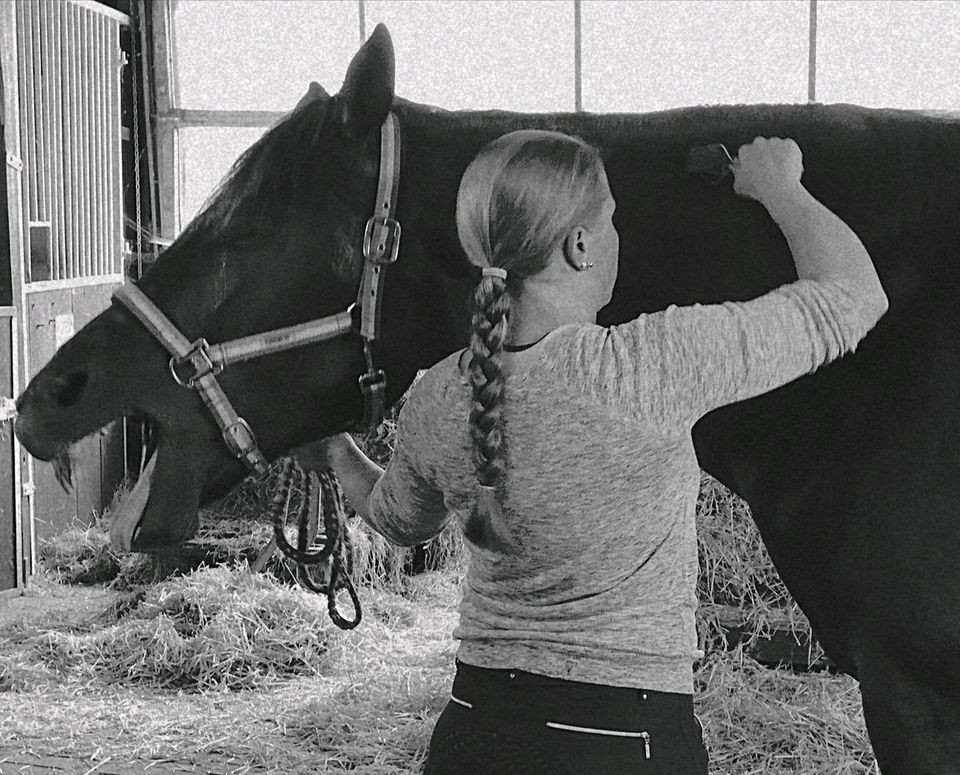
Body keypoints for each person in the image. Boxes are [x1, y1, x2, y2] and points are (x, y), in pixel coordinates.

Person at [293, 130, 888, 774]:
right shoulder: (648, 366)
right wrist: (779, 186)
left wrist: (332, 450)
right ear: (579, 246)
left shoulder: (438, 395)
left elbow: (396, 521)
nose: (614, 237)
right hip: (619, 739)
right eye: (609, 221)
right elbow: (854, 297)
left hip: (474, 726)